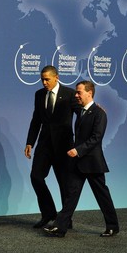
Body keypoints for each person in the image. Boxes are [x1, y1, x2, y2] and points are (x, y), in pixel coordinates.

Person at [44, 80, 120, 237]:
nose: (76, 95)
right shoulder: (80, 111)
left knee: (102, 195)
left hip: (92, 163)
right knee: (71, 196)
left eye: (79, 92)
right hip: (78, 163)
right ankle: (60, 227)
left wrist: (77, 151)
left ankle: (113, 226)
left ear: (89, 93)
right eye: (76, 92)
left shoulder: (100, 114)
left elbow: (96, 138)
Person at [25, 65, 80, 228]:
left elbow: (81, 114)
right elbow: (36, 120)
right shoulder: (39, 94)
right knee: (36, 177)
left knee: (64, 183)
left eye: (47, 79)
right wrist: (30, 142)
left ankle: (65, 220)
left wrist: (94, 111)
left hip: (64, 147)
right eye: (42, 79)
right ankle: (48, 213)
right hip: (44, 145)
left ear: (57, 77)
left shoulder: (70, 94)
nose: (44, 82)